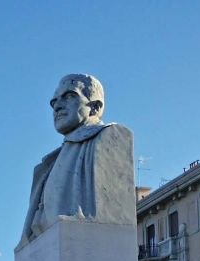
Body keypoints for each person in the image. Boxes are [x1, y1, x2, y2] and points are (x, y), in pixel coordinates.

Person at [19, 73, 134, 246]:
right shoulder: (48, 165)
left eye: (70, 96)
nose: (57, 106)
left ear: (94, 107)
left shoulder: (111, 136)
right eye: (54, 101)